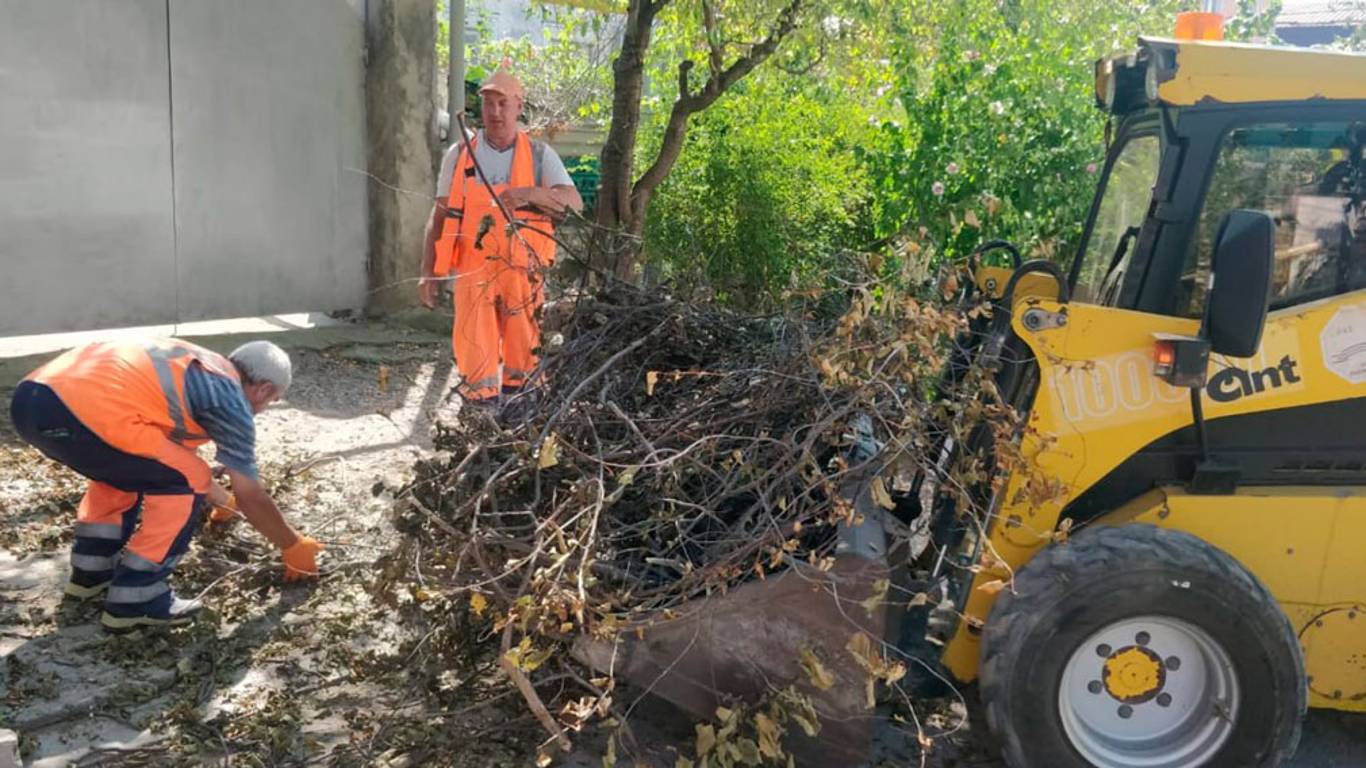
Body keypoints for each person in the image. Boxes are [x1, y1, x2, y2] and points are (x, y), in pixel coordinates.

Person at [8, 338, 323, 631]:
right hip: (85, 411)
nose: (264, 409)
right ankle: (137, 599)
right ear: (264, 389)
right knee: (188, 479)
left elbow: (162, 457)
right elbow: (251, 495)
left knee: (124, 472)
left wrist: (223, 501)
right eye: (272, 401)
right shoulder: (230, 399)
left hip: (32, 400)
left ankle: (92, 572)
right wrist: (292, 544)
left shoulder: (194, 366)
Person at [418, 67, 583, 409]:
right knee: (475, 352)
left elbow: (574, 202)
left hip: (523, 273)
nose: (494, 112)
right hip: (473, 274)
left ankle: (522, 418)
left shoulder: (539, 156)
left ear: (518, 107)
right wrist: (429, 271)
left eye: (502, 103)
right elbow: (440, 215)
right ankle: (479, 419)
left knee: (524, 352)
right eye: (488, 103)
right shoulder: (460, 155)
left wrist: (528, 193)